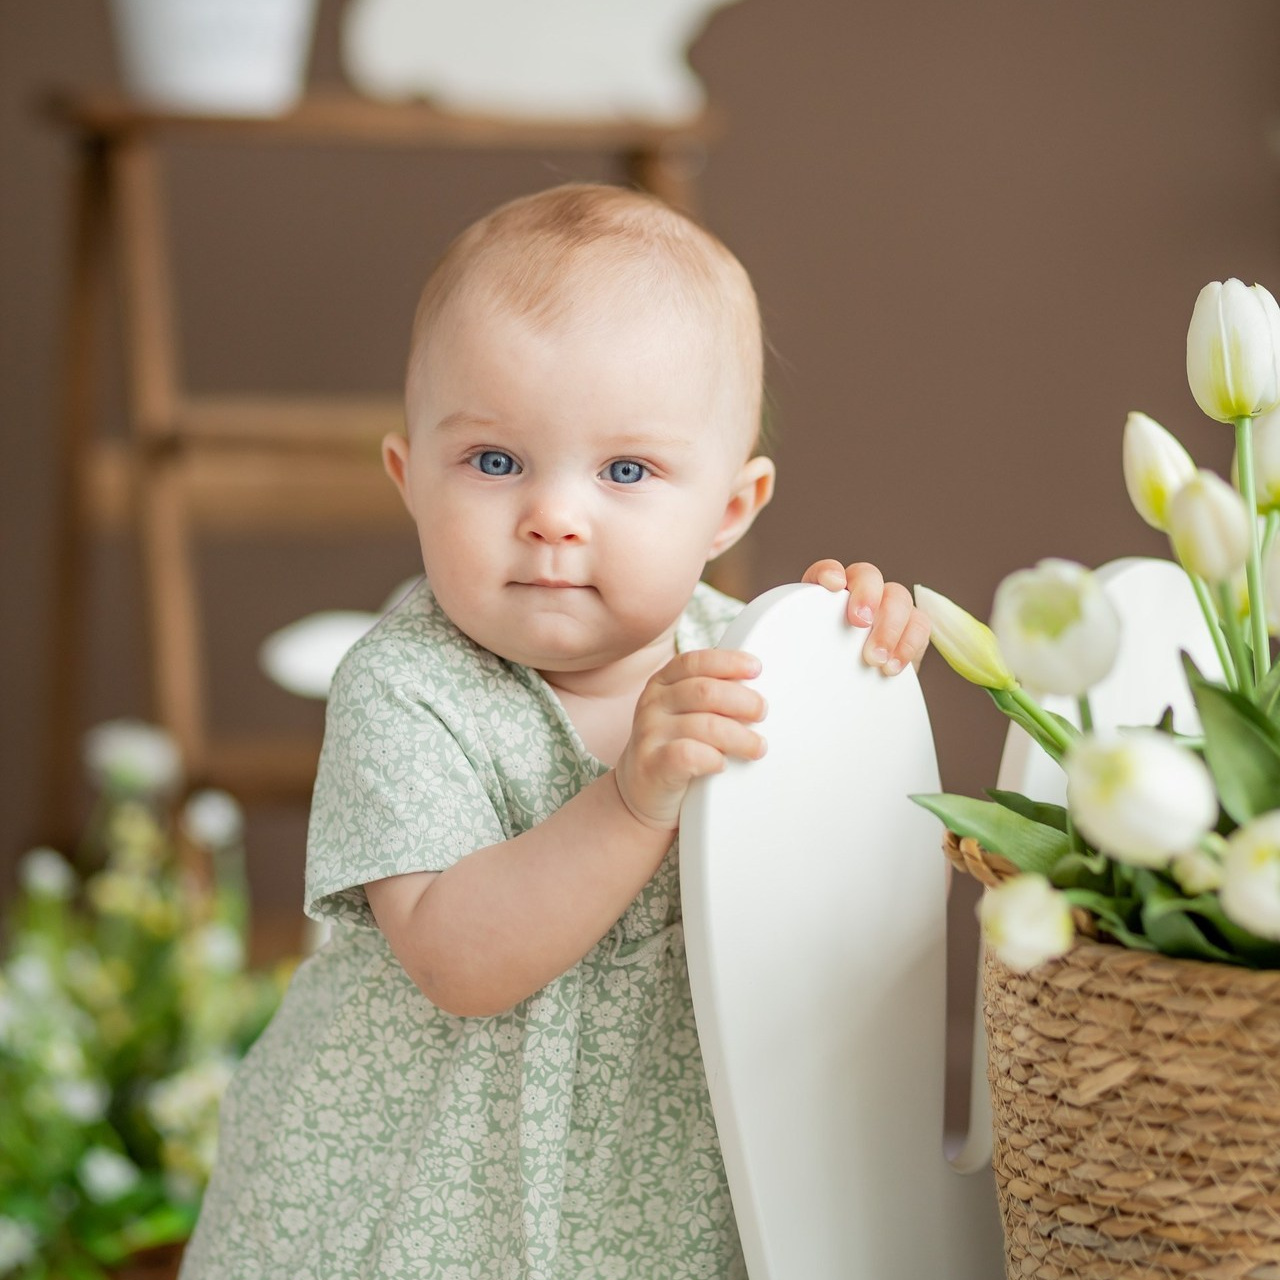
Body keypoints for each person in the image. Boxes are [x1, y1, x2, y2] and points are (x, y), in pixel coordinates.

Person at [179, 183, 930, 1280]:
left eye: (625, 470)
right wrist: (630, 797)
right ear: (410, 478)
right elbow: (455, 956)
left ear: (728, 507)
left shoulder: (744, 667)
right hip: (419, 1196)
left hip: (653, 1193)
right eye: (493, 461)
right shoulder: (405, 684)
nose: (552, 514)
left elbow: (840, 872)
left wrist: (848, 660)